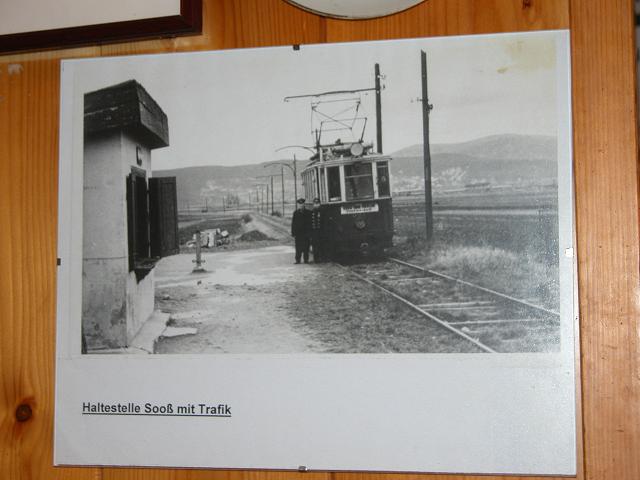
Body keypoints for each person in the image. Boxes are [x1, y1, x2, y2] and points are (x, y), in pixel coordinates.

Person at [291, 198, 311, 264]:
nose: (301, 205)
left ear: (304, 204)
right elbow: (293, 223)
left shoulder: (308, 212)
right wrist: (293, 233)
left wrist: (310, 233)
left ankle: (306, 259)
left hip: (306, 233)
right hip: (298, 233)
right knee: (298, 247)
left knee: (306, 246)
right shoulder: (295, 213)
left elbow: (310, 223)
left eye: (302, 204)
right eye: (299, 204)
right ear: (298, 205)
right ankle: (298, 260)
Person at [309, 197, 324, 263]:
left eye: (317, 203)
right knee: (315, 245)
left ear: (320, 204)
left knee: (321, 244)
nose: (316, 205)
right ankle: (316, 259)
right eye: (315, 203)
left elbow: (325, 222)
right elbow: (309, 224)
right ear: (313, 204)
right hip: (314, 232)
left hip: (321, 231)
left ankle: (322, 258)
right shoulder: (311, 212)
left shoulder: (322, 212)